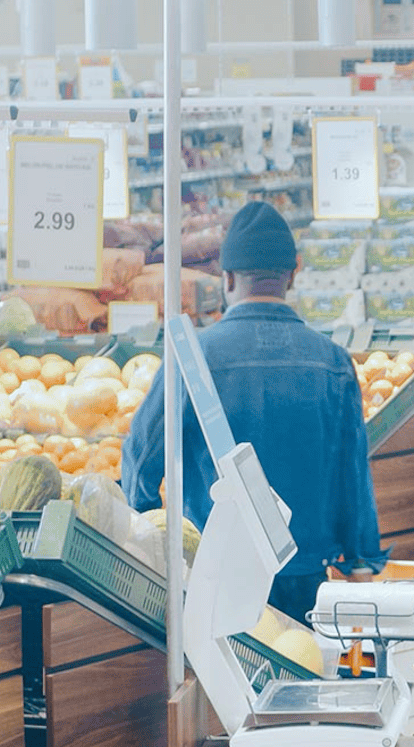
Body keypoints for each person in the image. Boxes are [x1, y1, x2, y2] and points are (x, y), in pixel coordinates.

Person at [122, 202, 385, 624]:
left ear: (227, 278)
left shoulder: (193, 358)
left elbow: (140, 456)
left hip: (218, 576)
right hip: (308, 579)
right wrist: (361, 559)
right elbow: (352, 476)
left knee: (222, 666)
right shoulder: (333, 362)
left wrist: (149, 534)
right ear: (292, 275)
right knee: (304, 661)